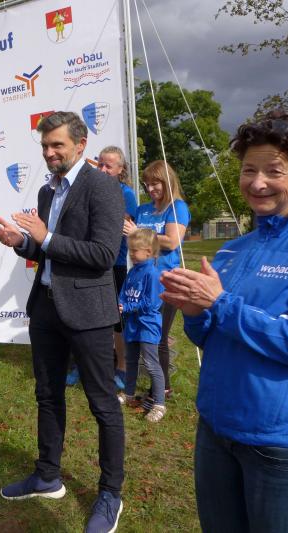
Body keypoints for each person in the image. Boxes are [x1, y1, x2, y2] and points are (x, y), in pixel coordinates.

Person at [161, 111, 288, 532]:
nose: (258, 183)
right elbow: (212, 337)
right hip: (216, 430)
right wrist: (195, 313)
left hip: (282, 442)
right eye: (248, 170)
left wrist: (220, 304)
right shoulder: (232, 250)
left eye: (274, 171)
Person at [0, 111, 125, 533]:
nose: (50, 153)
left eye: (58, 145)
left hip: (89, 313)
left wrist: (45, 237)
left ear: (81, 145)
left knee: (103, 404)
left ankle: (110, 493)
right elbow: (46, 252)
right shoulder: (47, 191)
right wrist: (22, 242)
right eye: (45, 146)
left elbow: (103, 255)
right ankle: (47, 476)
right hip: (46, 307)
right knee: (48, 396)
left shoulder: (102, 187)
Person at [122, 160, 189, 400]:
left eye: (155, 183)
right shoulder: (143, 210)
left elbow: (172, 241)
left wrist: (138, 233)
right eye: (147, 184)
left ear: (167, 182)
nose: (150, 189)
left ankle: (162, 390)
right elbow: (134, 240)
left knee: (158, 337)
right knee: (140, 334)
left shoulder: (177, 207)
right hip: (141, 280)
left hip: (166, 281)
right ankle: (143, 387)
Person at [98, 146, 138, 391]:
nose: (103, 169)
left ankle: (122, 367)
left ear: (120, 169)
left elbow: (122, 227)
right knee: (91, 319)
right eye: (100, 164)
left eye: (108, 166)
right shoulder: (91, 188)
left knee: (117, 321)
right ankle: (86, 365)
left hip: (115, 264)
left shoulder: (127, 194)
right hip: (91, 263)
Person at [117, 228, 165, 423]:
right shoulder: (132, 271)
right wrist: (120, 303)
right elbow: (123, 293)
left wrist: (127, 307)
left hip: (148, 326)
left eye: (135, 250)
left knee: (152, 365)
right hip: (132, 324)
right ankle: (129, 394)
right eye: (130, 250)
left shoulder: (152, 274)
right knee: (130, 361)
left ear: (149, 252)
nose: (131, 254)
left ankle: (159, 404)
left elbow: (151, 303)